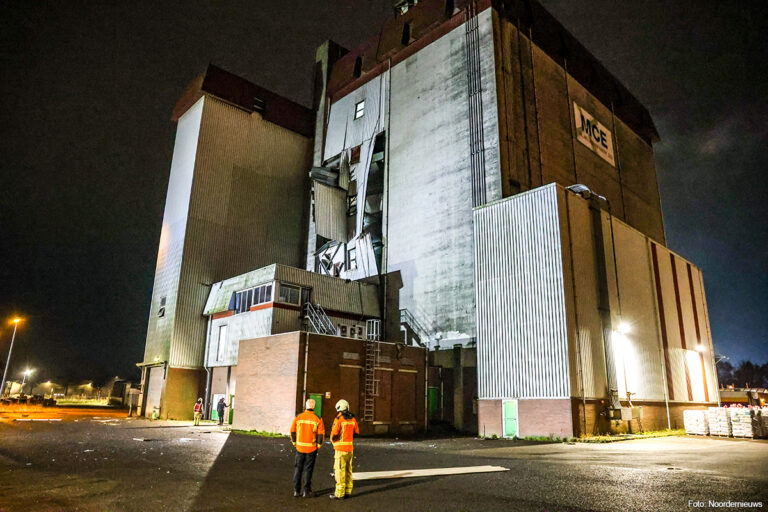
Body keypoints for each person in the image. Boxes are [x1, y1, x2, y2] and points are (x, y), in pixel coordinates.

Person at [290, 398, 325, 498]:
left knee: (298, 468)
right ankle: (306, 491)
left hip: (300, 447)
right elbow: (321, 434)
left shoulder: (298, 417)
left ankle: (296, 491)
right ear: (314, 407)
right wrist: (318, 445)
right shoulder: (317, 418)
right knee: (308, 469)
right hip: (311, 448)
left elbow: (292, 431)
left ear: (306, 406)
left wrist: (294, 443)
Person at [329, 399, 359, 500]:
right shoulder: (352, 419)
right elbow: (356, 433)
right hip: (350, 448)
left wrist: (334, 441)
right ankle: (348, 490)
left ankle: (339, 493)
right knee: (348, 470)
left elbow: (334, 435)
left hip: (340, 449)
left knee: (339, 471)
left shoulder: (339, 419)